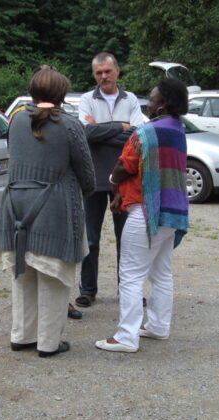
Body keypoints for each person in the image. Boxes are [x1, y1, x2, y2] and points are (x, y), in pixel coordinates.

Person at [0, 69, 95, 357]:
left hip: (15, 205)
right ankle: (48, 343)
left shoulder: (15, 120)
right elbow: (87, 175)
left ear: (32, 92)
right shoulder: (69, 125)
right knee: (52, 276)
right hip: (52, 208)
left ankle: (22, 335)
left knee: (22, 272)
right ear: (63, 95)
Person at [95, 78, 190, 353]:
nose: (149, 103)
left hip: (147, 211)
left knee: (131, 274)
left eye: (153, 98)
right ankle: (158, 326)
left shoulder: (146, 133)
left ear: (163, 104)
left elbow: (125, 166)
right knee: (161, 272)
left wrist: (112, 180)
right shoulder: (178, 130)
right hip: (173, 213)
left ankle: (126, 337)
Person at [75, 52, 146, 308]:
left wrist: (101, 130)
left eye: (107, 71)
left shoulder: (131, 99)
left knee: (126, 240)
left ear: (117, 71)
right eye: (99, 73)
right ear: (94, 75)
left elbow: (137, 136)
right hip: (93, 178)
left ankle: (127, 290)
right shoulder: (86, 99)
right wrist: (120, 127)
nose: (104, 76)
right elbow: (85, 133)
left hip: (123, 178)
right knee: (90, 239)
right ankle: (87, 290)